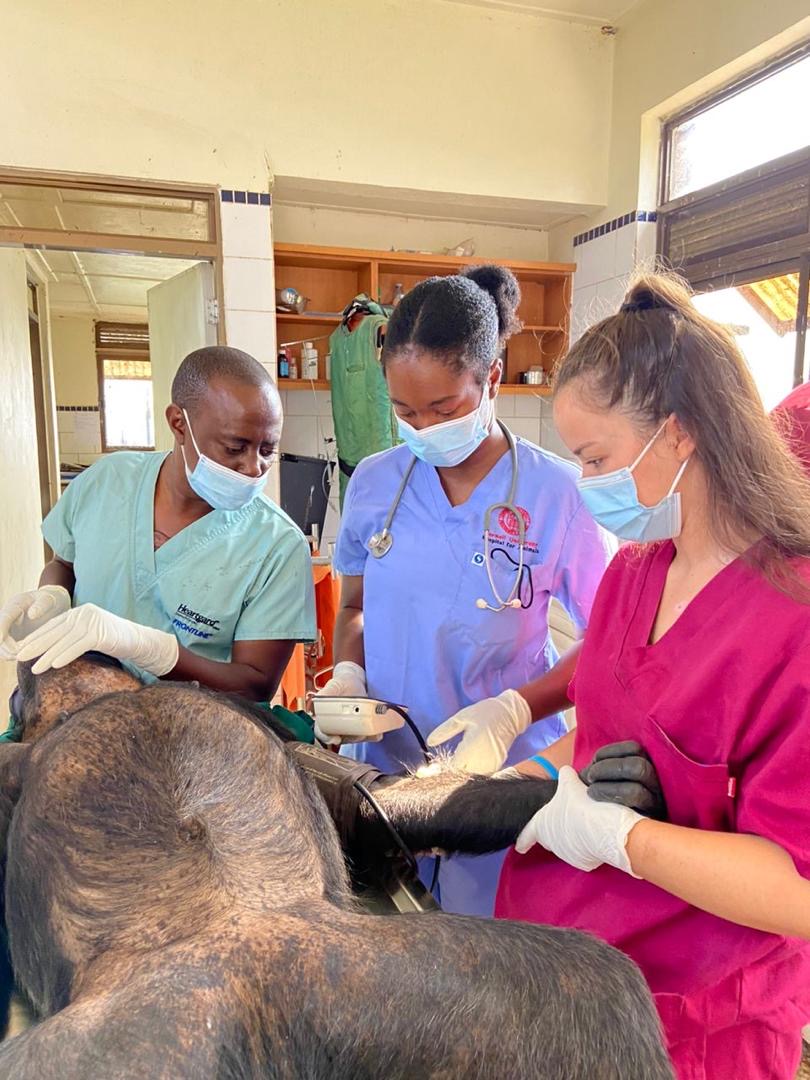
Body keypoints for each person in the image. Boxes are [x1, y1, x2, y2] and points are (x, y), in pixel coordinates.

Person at [495, 272, 810, 1078]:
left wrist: (622, 839)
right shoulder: (639, 570)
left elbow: (797, 890)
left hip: (701, 1024)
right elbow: (600, 734)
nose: (586, 482)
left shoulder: (792, 619)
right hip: (572, 977)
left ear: (679, 434)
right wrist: (517, 783)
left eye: (595, 458)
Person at [324, 265, 613, 915]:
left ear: (492, 379)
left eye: (444, 408)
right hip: (388, 782)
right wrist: (347, 669)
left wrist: (515, 708)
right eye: (404, 411)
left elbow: (612, 648)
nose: (423, 428)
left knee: (496, 968)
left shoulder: (558, 493)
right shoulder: (375, 483)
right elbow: (354, 606)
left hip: (502, 782)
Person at [1, 346, 315, 714]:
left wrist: (156, 652)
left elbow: (255, 684)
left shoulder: (277, 546)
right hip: (73, 707)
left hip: (185, 734)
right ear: (179, 424)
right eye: (235, 447)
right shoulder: (107, 482)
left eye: (268, 450)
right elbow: (65, 563)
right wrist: (52, 595)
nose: (254, 468)